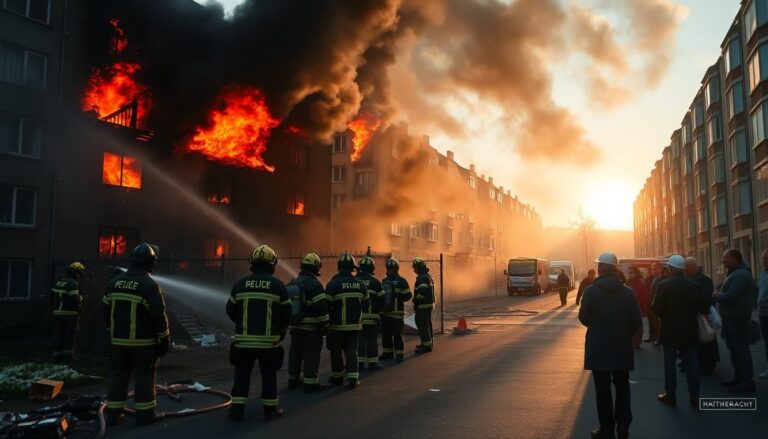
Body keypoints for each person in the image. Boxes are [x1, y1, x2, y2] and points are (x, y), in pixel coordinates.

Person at [104, 243, 170, 426]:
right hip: (143, 343)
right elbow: (158, 316)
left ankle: (113, 415)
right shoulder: (149, 285)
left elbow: (105, 310)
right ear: (151, 263)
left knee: (118, 375)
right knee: (144, 376)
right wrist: (164, 339)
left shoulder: (113, 283)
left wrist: (112, 330)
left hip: (117, 341)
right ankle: (145, 414)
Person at [579, 252, 642, 439]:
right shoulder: (628, 292)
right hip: (621, 347)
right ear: (614, 268)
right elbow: (636, 320)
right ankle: (623, 426)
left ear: (600, 268)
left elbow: (583, 318)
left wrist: (597, 325)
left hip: (598, 348)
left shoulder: (591, 291)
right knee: (622, 387)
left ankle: (606, 429)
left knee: (602, 390)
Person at [227, 245, 291, 422]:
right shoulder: (278, 286)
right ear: (272, 265)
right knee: (269, 375)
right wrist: (281, 331)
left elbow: (230, 310)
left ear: (252, 264)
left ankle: (237, 411)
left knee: (241, 375)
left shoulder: (240, 284)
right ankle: (270, 411)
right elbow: (287, 314)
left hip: (243, 341)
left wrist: (242, 325)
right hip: (269, 342)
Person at [652, 255, 709, 408]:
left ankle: (670, 395)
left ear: (670, 269)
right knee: (692, 364)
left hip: (670, 332)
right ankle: (695, 396)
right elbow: (704, 308)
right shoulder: (695, 286)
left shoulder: (663, 286)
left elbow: (656, 310)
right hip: (690, 331)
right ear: (683, 269)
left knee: (670, 364)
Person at [714, 249, 757, 393]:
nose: (722, 261)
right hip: (730, 318)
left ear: (735, 258)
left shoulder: (741, 275)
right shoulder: (733, 273)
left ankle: (747, 382)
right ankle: (738, 378)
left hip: (737, 319)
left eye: (725, 258)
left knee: (741, 351)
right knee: (734, 351)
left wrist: (716, 296)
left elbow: (732, 296)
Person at [325, 253, 369, 389]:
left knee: (336, 351)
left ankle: (337, 378)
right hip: (355, 326)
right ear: (352, 268)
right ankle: (353, 379)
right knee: (352, 351)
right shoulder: (360, 284)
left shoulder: (333, 284)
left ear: (339, 267)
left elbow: (326, 305)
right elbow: (367, 305)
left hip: (337, 326)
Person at [287, 253, 329, 392]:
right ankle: (310, 383)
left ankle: (293, 380)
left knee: (295, 353)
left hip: (295, 326)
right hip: (311, 329)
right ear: (316, 267)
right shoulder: (315, 284)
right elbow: (321, 308)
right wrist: (326, 325)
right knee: (311, 354)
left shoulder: (293, 282)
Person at [684, 257, 719, 375]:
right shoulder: (690, 278)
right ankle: (698, 364)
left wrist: (699, 309)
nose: (684, 269)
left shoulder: (703, 280)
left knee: (706, 339)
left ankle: (708, 365)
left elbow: (706, 298)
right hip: (695, 315)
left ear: (693, 267)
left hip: (702, 315)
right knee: (697, 341)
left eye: (686, 266)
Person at [51, 262, 85, 363]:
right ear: (77, 272)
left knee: (59, 335)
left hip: (57, 313)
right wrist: (80, 300)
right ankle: (68, 358)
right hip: (70, 315)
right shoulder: (73, 283)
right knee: (69, 336)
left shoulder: (59, 281)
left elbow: (52, 297)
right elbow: (75, 300)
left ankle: (57, 357)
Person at [380, 258, 412, 362]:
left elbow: (408, 295)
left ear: (396, 269)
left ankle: (399, 354)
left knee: (397, 335)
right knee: (386, 335)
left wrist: (399, 295)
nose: (390, 270)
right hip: (385, 314)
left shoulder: (402, 281)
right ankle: (387, 353)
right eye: (389, 268)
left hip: (397, 314)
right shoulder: (384, 281)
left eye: (392, 269)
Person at [357, 256, 384, 370]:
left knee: (360, 340)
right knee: (372, 340)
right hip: (372, 318)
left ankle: (359, 363)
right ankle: (373, 363)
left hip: (358, 319)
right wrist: (378, 310)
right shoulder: (376, 282)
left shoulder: (355, 281)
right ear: (372, 268)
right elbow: (382, 300)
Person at [412, 258, 436, 354]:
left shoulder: (422, 278)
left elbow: (422, 292)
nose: (414, 269)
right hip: (428, 305)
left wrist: (415, 301)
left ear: (419, 267)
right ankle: (428, 343)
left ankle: (426, 347)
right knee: (427, 324)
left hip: (423, 306)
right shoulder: (427, 276)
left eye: (415, 267)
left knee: (422, 326)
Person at [626, 266, 649, 349]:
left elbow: (644, 297)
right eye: (629, 273)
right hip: (629, 309)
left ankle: (637, 341)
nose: (630, 275)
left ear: (636, 273)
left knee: (638, 326)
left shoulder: (640, 283)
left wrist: (640, 308)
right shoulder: (628, 283)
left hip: (638, 309)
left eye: (632, 273)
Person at [643, 263, 662, 343]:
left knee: (657, 322)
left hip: (657, 304)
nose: (653, 270)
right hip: (648, 303)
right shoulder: (648, 279)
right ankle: (651, 336)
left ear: (660, 269)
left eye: (655, 268)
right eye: (652, 268)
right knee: (650, 321)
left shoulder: (663, 279)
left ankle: (658, 338)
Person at [759, 249, 768, 379]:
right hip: (763, 313)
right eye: (763, 258)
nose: (764, 261)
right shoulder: (763, 274)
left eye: (766, 258)